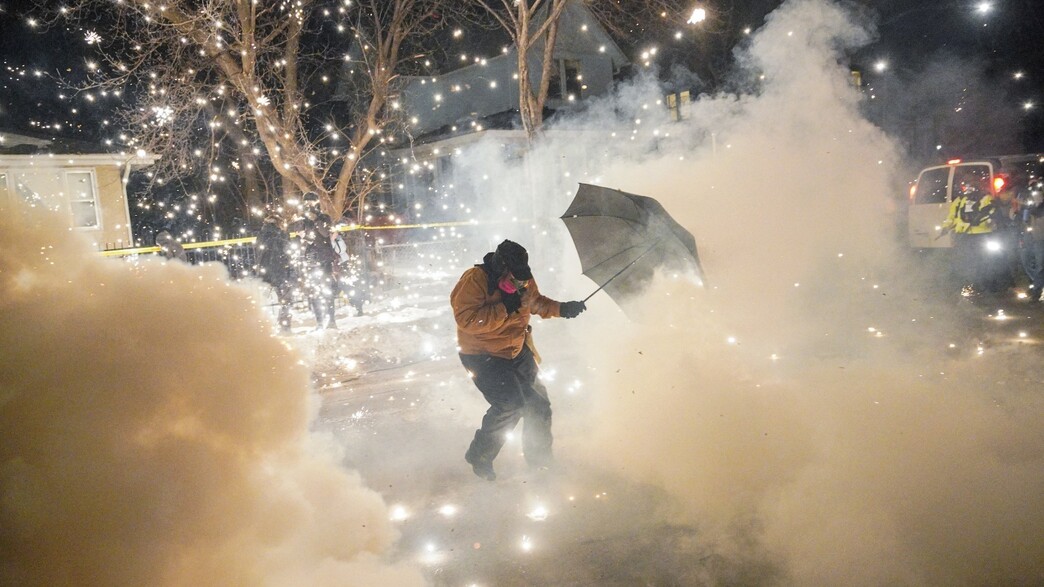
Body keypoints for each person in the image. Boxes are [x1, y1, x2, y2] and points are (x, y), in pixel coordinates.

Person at [450, 239, 587, 481]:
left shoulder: (522, 278)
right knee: (510, 405)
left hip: (517, 349)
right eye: (515, 278)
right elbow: (468, 321)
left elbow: (534, 302)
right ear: (500, 268)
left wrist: (562, 309)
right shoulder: (474, 280)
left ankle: (540, 462)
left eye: (523, 277)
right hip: (482, 355)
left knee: (539, 406)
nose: (521, 282)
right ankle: (479, 455)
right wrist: (505, 308)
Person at [940, 180, 999, 295]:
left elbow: (991, 214)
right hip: (963, 235)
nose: (967, 189)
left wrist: (981, 220)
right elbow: (951, 216)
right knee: (964, 261)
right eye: (965, 187)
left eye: (970, 187)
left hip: (981, 235)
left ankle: (987, 287)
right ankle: (968, 284)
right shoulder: (959, 201)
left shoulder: (986, 199)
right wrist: (946, 227)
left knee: (984, 261)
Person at [292, 192, 339, 330]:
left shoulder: (324, 217)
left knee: (327, 291)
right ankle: (319, 322)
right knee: (314, 293)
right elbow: (300, 237)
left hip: (324, 260)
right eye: (306, 202)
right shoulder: (303, 221)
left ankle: (331, 321)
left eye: (311, 202)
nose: (308, 205)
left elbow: (327, 234)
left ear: (316, 202)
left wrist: (317, 220)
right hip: (311, 260)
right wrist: (298, 225)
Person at [256, 214, 296, 333]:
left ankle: (263, 328)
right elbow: (288, 252)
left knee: (264, 302)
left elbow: (259, 253)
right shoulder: (282, 235)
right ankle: (285, 326)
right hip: (282, 272)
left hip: (266, 273)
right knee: (286, 300)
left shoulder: (261, 236)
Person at [1017, 176, 1044, 301]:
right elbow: (1019, 215)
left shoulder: (1039, 201)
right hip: (1029, 235)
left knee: (1040, 264)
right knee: (1026, 261)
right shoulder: (1027, 199)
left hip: (1040, 237)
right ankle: (1038, 284)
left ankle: (1037, 290)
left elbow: (1037, 210)